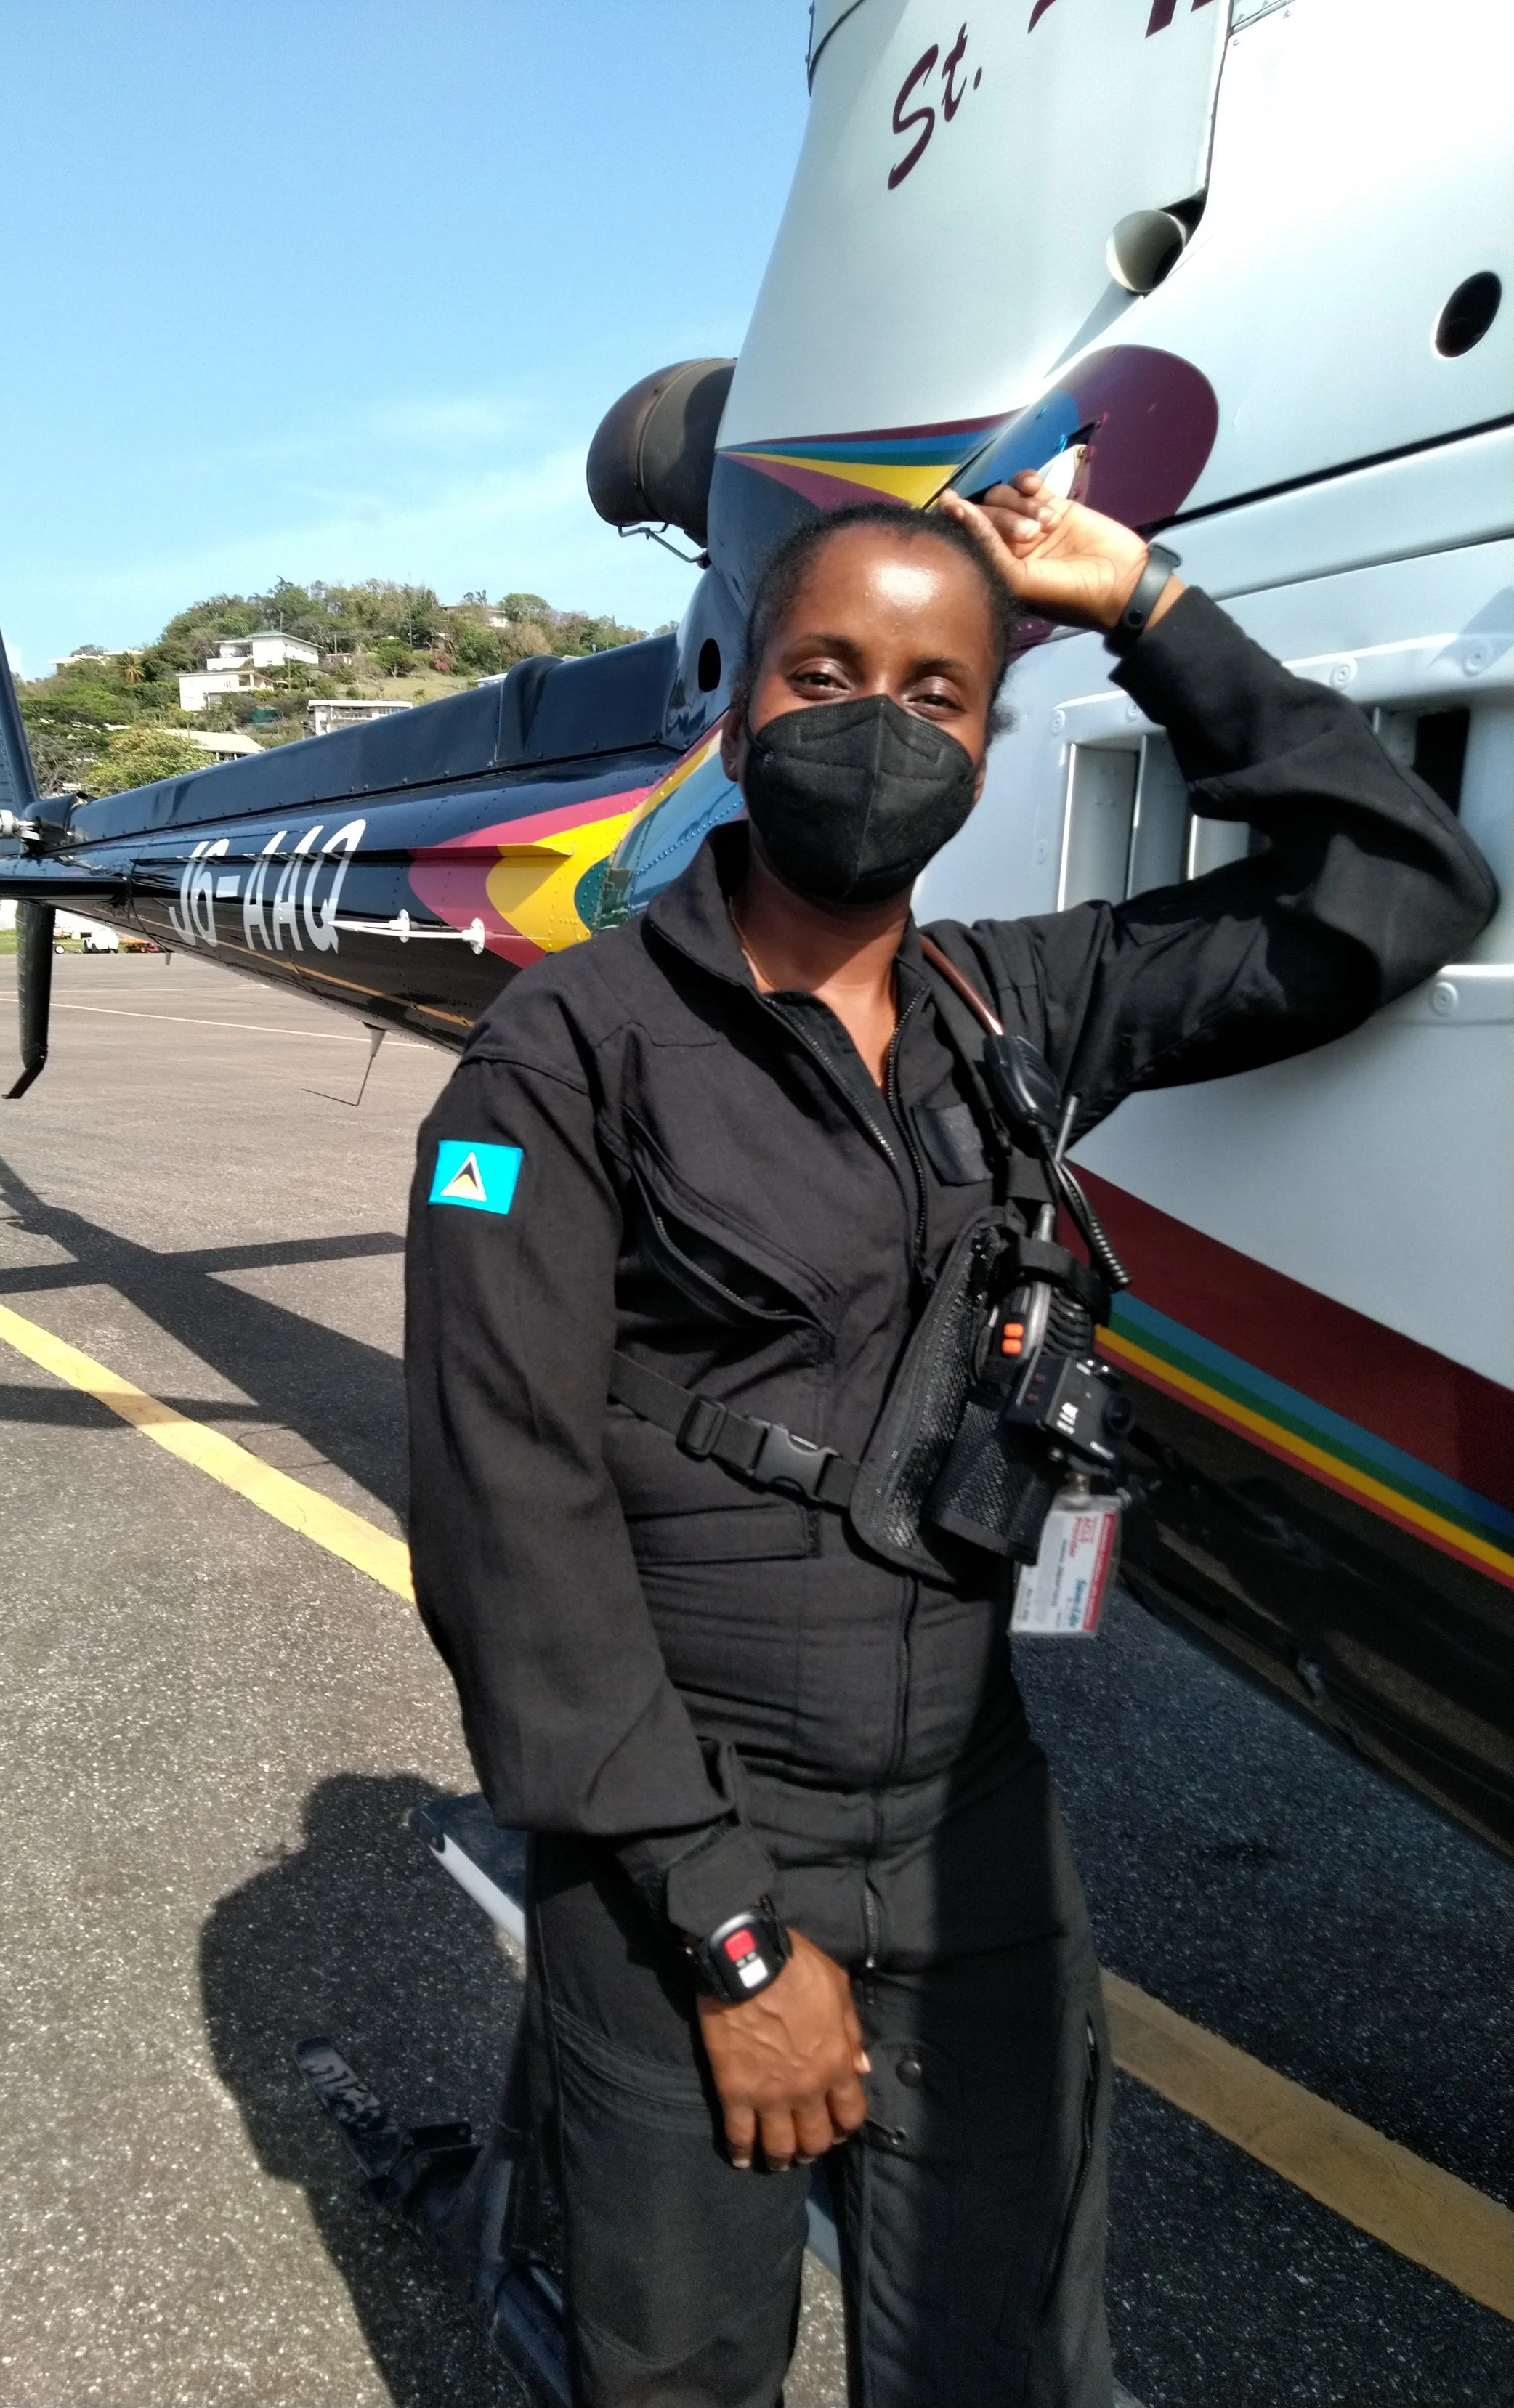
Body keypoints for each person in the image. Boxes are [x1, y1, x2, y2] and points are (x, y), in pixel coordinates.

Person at [403, 477, 1496, 2407]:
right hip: (686, 1833)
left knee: (1010, 2355)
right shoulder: (562, 1055)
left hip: (965, 1819)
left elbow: (1401, 888)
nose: (878, 726)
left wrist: (1151, 608)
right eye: (825, 673)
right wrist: (729, 1936)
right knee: (679, 2367)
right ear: (738, 701)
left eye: (936, 693)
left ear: (987, 747)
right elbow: (509, 1519)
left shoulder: (1020, 1005)